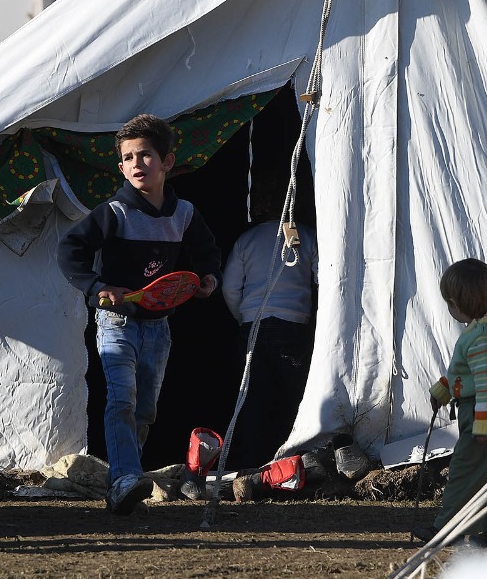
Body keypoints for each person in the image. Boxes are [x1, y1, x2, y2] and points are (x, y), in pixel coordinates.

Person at [58, 114, 222, 514]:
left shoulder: (183, 213)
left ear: (167, 161)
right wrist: (98, 287)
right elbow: (70, 250)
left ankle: (126, 476)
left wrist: (209, 278)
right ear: (120, 167)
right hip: (116, 323)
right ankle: (125, 479)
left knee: (144, 408)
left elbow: (207, 250)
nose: (136, 164)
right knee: (121, 399)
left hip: (157, 326)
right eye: (128, 157)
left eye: (145, 155)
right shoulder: (113, 212)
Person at [411, 258, 487, 548]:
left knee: (464, 469)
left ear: (458, 304)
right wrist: (442, 392)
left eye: (450, 302)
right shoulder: (482, 330)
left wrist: (484, 425)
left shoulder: (483, 338)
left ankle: (448, 528)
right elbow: (463, 373)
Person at [221, 185, 317, 470]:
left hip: (254, 327)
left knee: (253, 398)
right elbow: (324, 277)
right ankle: (291, 463)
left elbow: (229, 287)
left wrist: (243, 316)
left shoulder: (246, 240)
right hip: (292, 327)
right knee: (293, 396)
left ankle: (251, 464)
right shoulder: (307, 237)